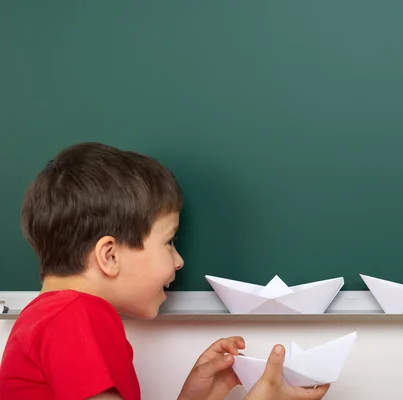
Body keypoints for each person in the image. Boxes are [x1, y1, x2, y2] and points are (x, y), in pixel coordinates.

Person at [0, 142, 330, 400]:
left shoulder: (45, 319)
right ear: (110, 255)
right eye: (169, 241)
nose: (179, 261)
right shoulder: (79, 317)